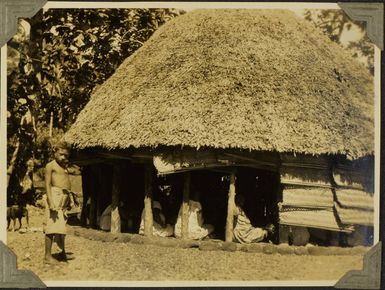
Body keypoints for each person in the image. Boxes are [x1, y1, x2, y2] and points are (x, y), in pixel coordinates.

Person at [44, 141, 73, 264]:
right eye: (61, 154)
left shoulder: (64, 167)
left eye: (66, 155)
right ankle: (47, 256)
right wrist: (51, 202)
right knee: (51, 226)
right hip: (54, 197)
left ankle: (61, 252)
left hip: (63, 198)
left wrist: (69, 201)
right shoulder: (50, 166)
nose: (63, 157)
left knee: (61, 227)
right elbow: (47, 185)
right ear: (54, 152)